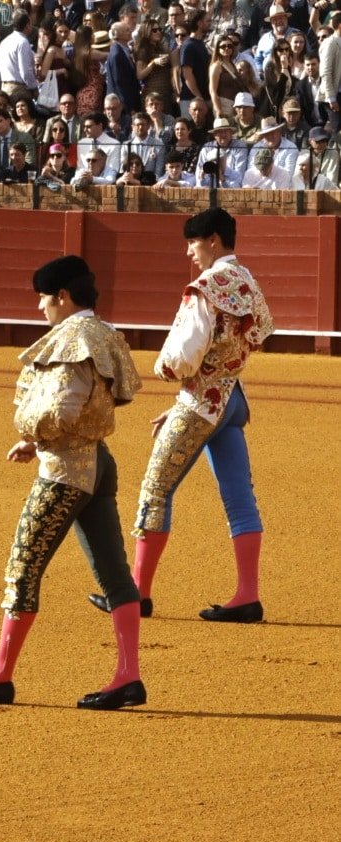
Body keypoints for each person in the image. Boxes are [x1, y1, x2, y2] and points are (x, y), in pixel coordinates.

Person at [0, 255, 145, 711]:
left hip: (65, 474)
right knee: (114, 573)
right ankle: (128, 675)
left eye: (43, 298)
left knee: (24, 565)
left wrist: (35, 433)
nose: (41, 308)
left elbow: (62, 410)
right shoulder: (106, 334)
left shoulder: (73, 338)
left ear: (62, 297)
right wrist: (36, 443)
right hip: (98, 461)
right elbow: (115, 396)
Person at [87, 208, 274, 624]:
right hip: (231, 398)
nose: (190, 253)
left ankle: (137, 594)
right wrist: (220, 371)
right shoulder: (248, 282)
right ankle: (248, 595)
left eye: (193, 243)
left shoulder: (205, 287)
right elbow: (263, 330)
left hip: (200, 405)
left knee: (155, 491)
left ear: (212, 239)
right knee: (240, 499)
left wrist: (167, 373)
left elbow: (181, 359)